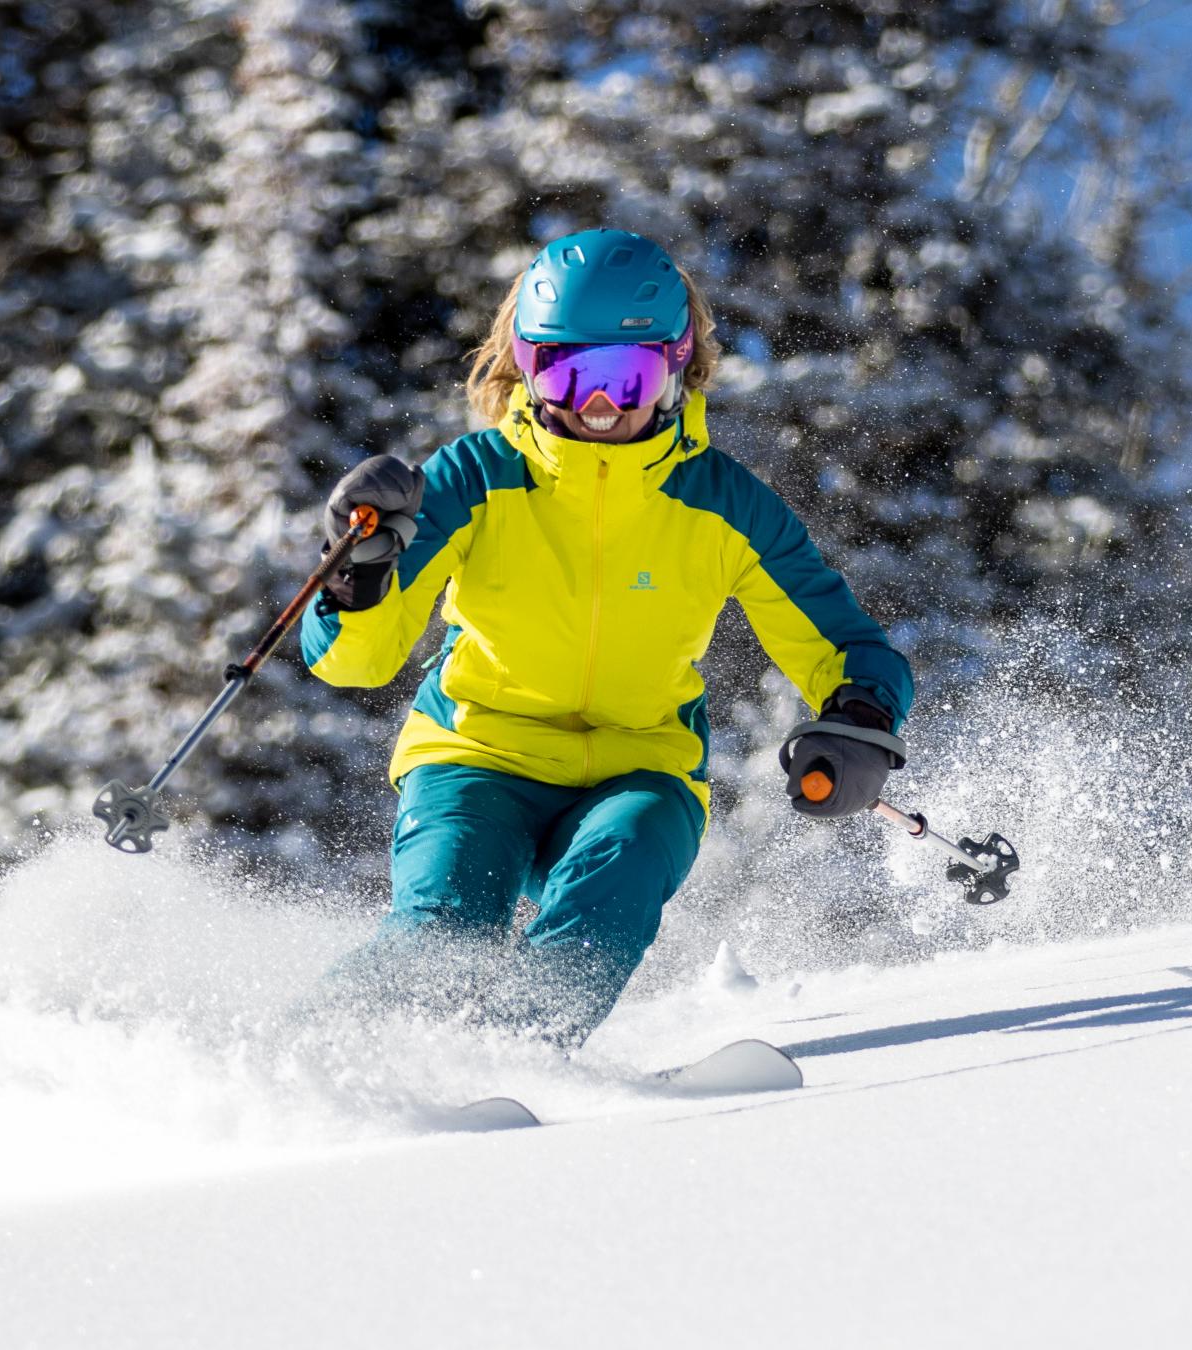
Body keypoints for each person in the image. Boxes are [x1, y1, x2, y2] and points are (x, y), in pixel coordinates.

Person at [300, 228, 913, 1046]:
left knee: (615, 884)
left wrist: (862, 715)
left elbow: (846, 643)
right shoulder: (471, 480)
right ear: (525, 365)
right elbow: (355, 660)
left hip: (642, 767)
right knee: (442, 926)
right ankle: (300, 1065)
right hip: (476, 756)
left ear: (677, 367)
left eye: (625, 378)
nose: (597, 408)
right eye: (568, 372)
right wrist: (355, 576)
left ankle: (513, 1060)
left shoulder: (723, 503)